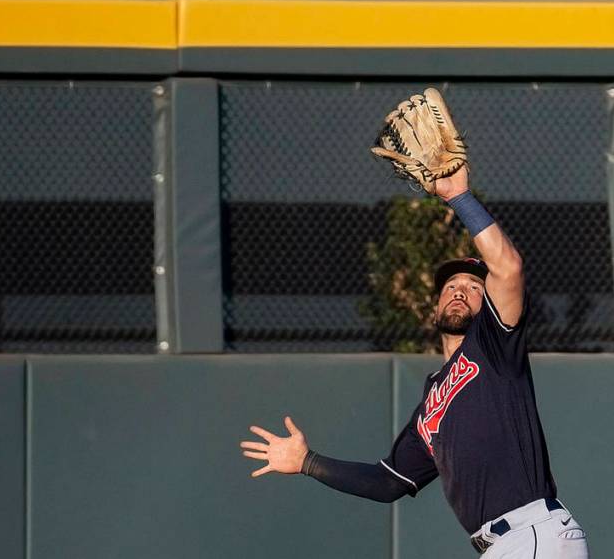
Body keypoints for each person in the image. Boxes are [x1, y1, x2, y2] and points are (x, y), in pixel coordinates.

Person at [240, 165, 589, 558]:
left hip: (533, 532)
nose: (460, 291)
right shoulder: (430, 405)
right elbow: (388, 482)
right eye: (451, 287)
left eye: (474, 287)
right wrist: (308, 462)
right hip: (504, 546)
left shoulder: (493, 345)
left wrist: (459, 198)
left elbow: (507, 268)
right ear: (435, 307)